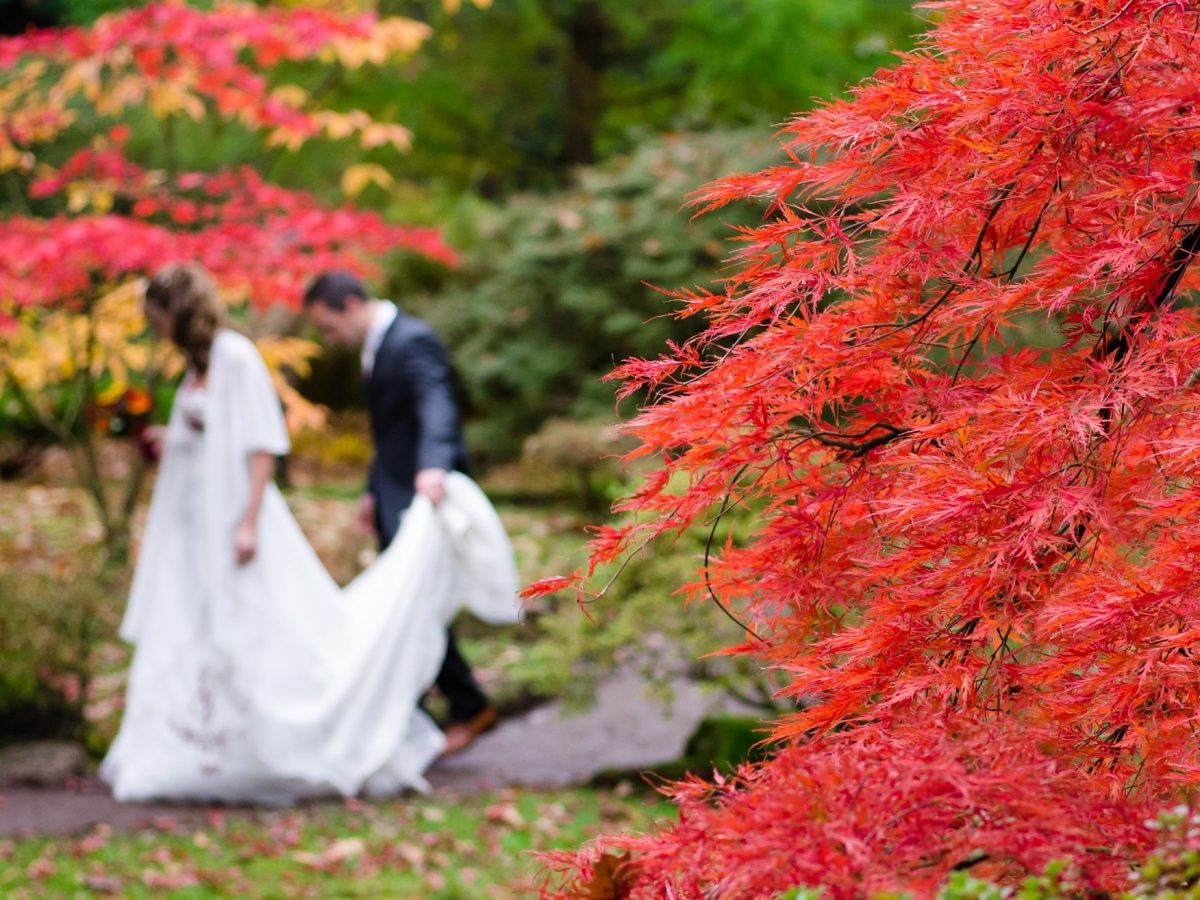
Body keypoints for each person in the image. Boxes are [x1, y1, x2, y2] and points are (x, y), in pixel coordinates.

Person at [102, 263, 518, 804]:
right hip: (198, 522)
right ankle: (208, 744)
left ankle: (436, 710)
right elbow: (384, 433)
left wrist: (432, 465)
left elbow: (265, 442)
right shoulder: (197, 365)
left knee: (277, 626)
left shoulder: (242, 355)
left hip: (243, 516)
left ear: (176, 311)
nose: (153, 328)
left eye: (156, 317)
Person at [302, 270, 498, 756]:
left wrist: (434, 466)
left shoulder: (412, 340)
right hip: (393, 494)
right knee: (410, 603)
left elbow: (437, 405)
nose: (331, 339)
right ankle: (429, 712)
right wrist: (373, 491)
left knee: (417, 603)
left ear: (350, 303)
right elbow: (388, 430)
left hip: (422, 495)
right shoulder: (376, 346)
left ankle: (465, 706)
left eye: (328, 326)